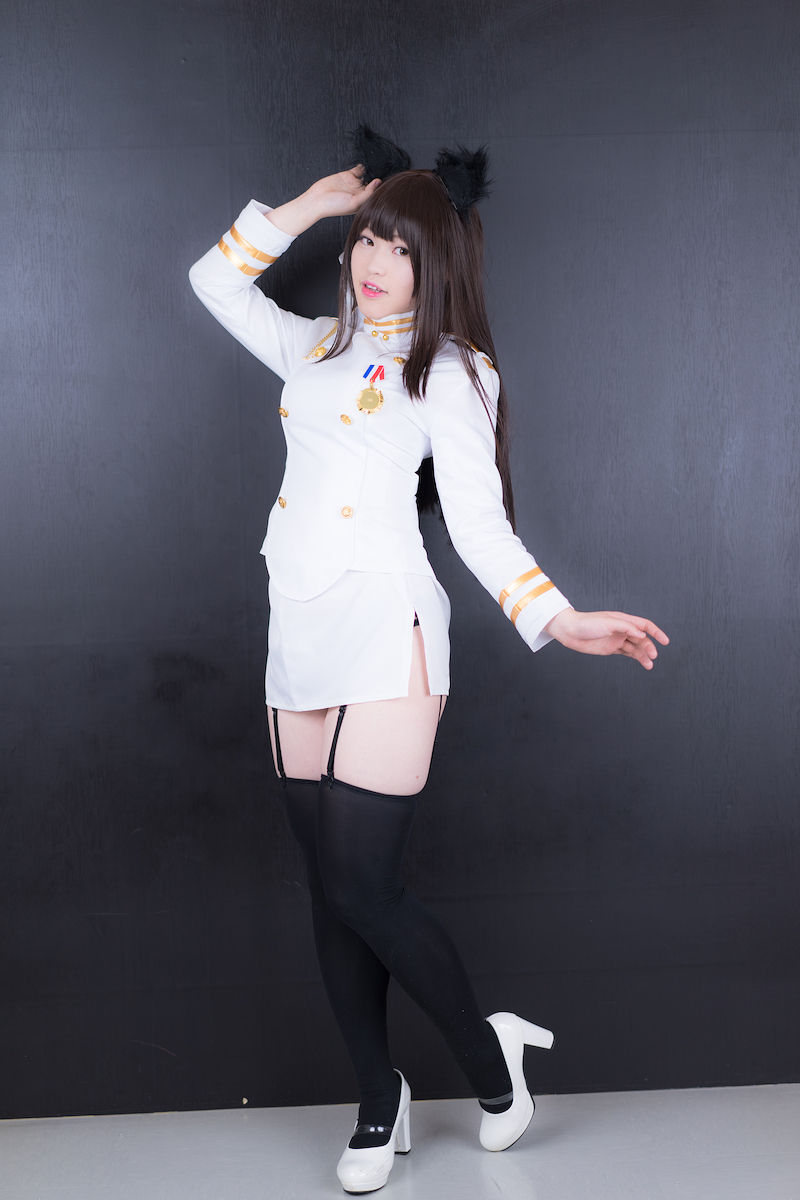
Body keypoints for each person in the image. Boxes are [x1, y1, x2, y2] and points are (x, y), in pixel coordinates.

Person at [188, 134, 669, 1195]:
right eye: (366, 240)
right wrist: (306, 207)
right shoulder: (315, 346)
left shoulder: (451, 371)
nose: (373, 261)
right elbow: (212, 282)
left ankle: (489, 1057)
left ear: (435, 262)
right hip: (296, 632)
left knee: (365, 884)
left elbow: (480, 526)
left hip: (387, 631)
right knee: (330, 892)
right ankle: (379, 1096)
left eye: (399, 248)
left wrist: (559, 617)